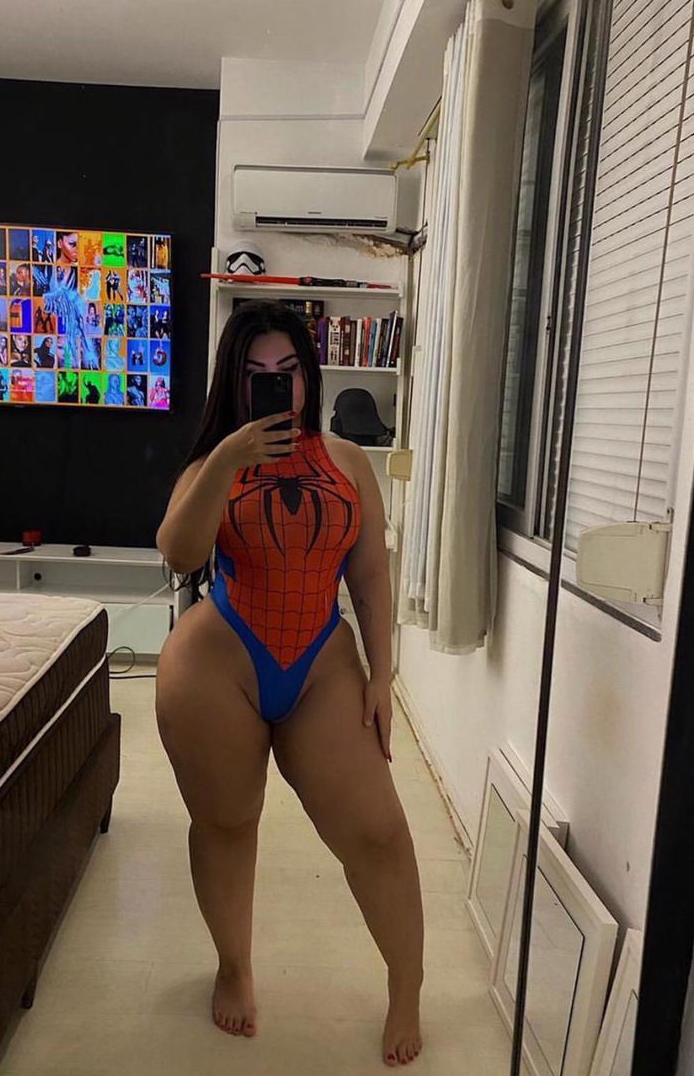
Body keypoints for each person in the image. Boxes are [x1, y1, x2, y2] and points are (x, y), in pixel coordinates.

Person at [153, 301, 424, 1065]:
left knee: (378, 831)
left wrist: (382, 675)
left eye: (288, 371)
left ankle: (407, 985)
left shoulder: (348, 461)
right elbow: (180, 553)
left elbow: (369, 574)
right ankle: (234, 967)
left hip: (321, 663)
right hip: (220, 660)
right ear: (233, 384)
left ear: (309, 375)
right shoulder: (211, 464)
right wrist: (226, 461)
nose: (276, 386)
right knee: (226, 824)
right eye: (255, 374)